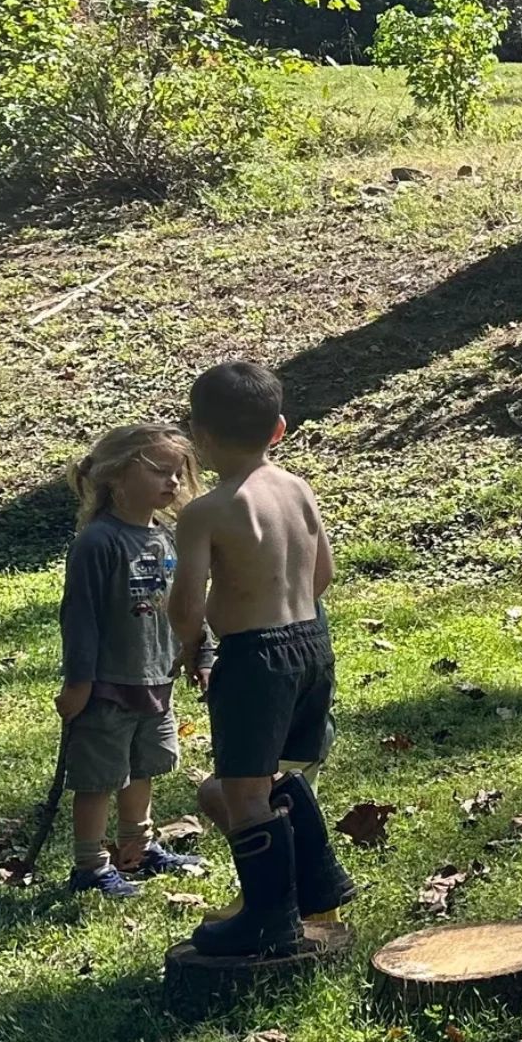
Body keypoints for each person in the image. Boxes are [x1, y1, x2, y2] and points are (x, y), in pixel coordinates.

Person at [167, 362, 355, 956]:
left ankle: (267, 919)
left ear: (199, 435)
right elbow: (322, 571)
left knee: (244, 792)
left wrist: (193, 645)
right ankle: (317, 878)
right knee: (284, 774)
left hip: (255, 659)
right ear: (279, 428)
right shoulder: (297, 487)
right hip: (311, 644)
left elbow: (186, 602)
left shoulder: (206, 512)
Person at [55, 424, 211, 899]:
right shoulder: (98, 543)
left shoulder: (166, 537)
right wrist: (79, 683)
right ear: (117, 477)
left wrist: (200, 651)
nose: (173, 484)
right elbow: (79, 619)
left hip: (155, 681)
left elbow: (187, 603)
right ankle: (90, 865)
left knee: (142, 768)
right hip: (107, 686)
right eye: (160, 472)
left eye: (178, 474)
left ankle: (136, 849)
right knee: (101, 777)